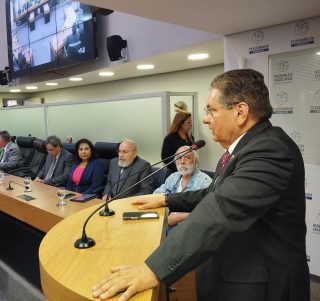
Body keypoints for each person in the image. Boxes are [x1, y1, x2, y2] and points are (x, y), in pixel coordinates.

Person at [92, 69, 310, 301]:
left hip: (262, 287)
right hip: (233, 272)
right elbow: (213, 193)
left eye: (211, 110)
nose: (205, 118)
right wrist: (165, 199)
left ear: (241, 111)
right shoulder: (243, 149)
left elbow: (220, 210)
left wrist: (152, 269)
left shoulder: (270, 151)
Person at [154, 145, 212, 226]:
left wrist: (180, 217)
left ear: (195, 161)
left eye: (187, 157)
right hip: (167, 221)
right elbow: (157, 195)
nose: (182, 161)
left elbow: (208, 212)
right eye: (179, 158)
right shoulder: (173, 177)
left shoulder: (205, 182)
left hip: (190, 226)